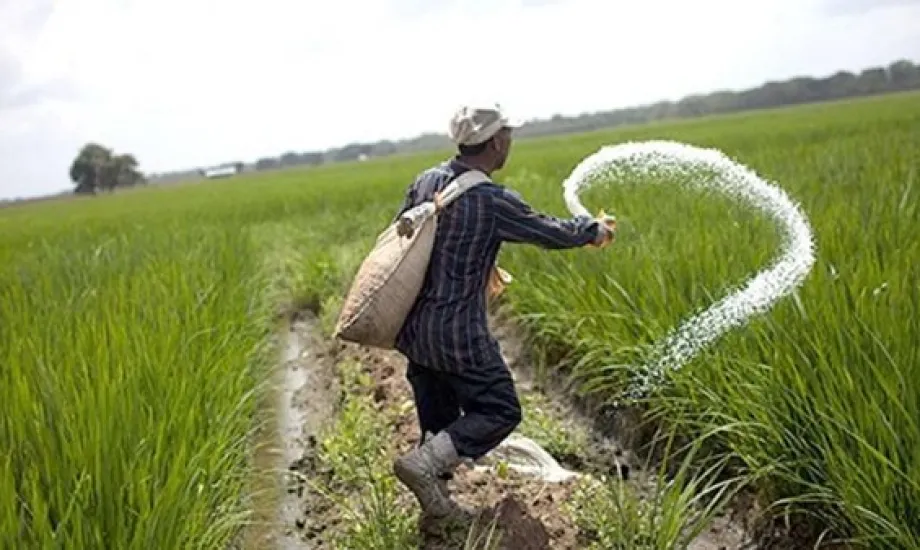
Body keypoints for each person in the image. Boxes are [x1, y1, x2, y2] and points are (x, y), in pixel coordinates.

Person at [390, 103, 615, 529]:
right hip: (459, 333)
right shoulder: (490, 199)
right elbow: (547, 231)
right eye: (507, 135)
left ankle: (435, 515)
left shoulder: (427, 181)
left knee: (440, 427)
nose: (509, 141)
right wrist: (593, 230)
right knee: (499, 409)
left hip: (417, 332)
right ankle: (421, 468)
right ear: (495, 142)